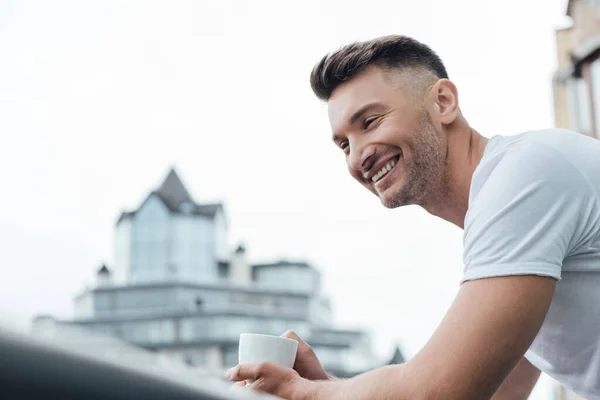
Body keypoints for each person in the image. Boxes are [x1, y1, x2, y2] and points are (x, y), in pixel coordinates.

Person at [226, 35, 600, 399]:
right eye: (344, 145)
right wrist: (323, 384)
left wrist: (305, 392)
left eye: (370, 121)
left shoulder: (527, 176)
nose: (357, 158)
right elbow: (488, 393)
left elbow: (438, 391)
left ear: (443, 102)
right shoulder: (507, 235)